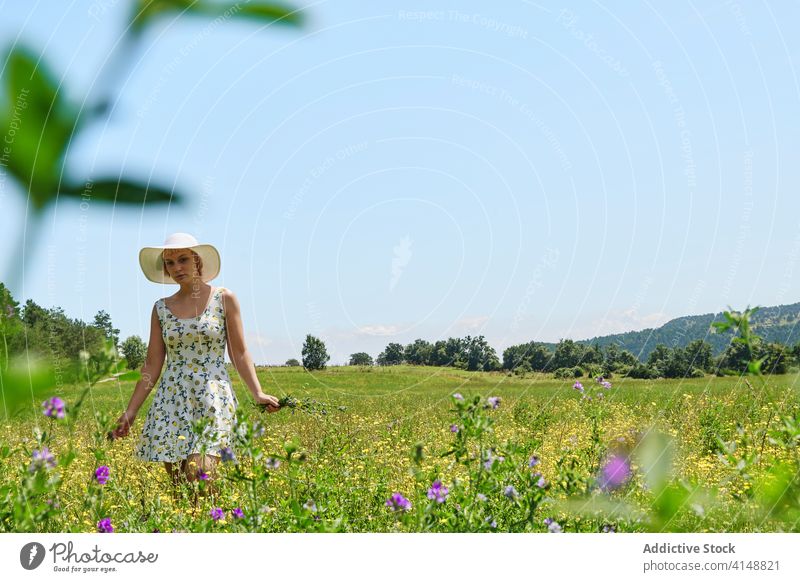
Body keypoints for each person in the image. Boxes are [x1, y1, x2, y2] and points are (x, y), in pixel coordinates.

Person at [112, 232, 280, 502]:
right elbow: (153, 362)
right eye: (169, 263)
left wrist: (257, 393)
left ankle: (221, 525)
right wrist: (131, 410)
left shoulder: (224, 298)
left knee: (199, 473)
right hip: (172, 402)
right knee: (180, 491)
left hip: (213, 398)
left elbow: (239, 352)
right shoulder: (161, 309)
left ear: (197, 261)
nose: (176, 268)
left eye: (183, 260)